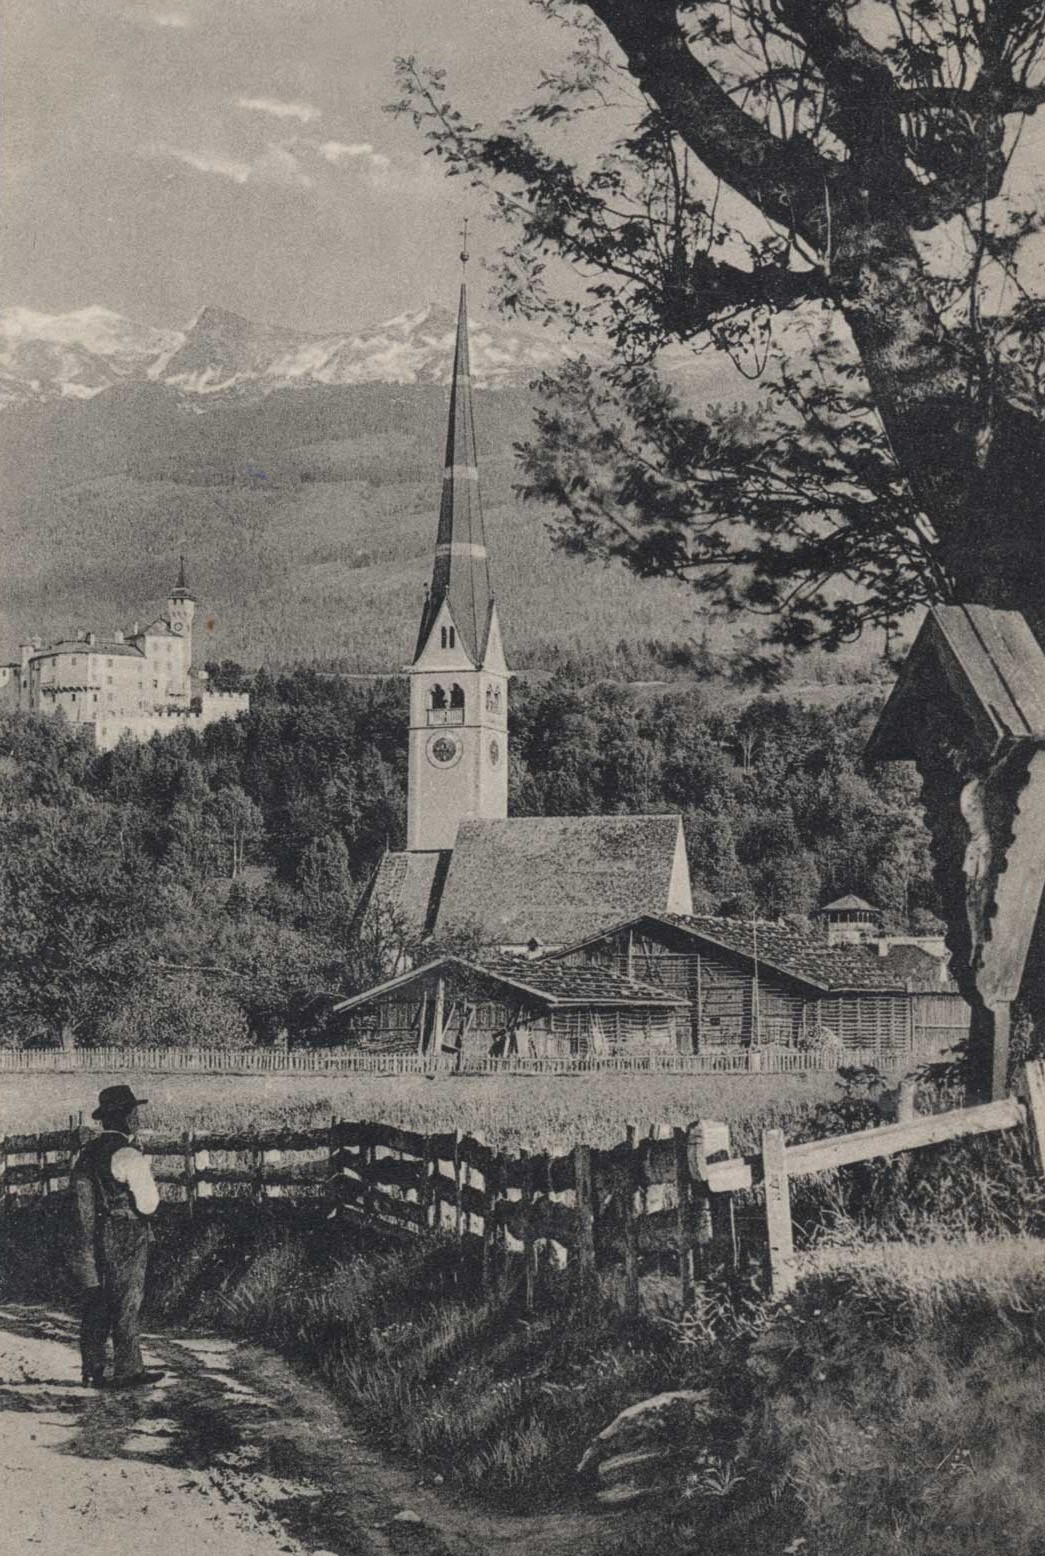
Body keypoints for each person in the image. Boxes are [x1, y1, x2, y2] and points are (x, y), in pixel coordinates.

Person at [69, 1084, 164, 1389]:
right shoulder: (127, 1153)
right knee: (126, 1298)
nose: (136, 1118)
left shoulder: (86, 1154)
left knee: (97, 1299)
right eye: (133, 1112)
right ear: (124, 1117)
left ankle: (93, 1368)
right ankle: (128, 1369)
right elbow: (149, 1203)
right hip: (125, 1231)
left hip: (91, 1233)